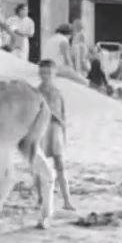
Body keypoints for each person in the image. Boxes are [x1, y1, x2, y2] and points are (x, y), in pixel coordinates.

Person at [35, 60, 75, 211]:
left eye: (49, 73)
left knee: (60, 165)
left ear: (54, 74)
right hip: (41, 130)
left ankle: (67, 199)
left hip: (55, 129)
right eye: (43, 73)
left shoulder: (58, 93)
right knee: (40, 167)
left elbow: (62, 115)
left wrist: (64, 133)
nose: (46, 76)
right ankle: (40, 198)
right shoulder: (36, 92)